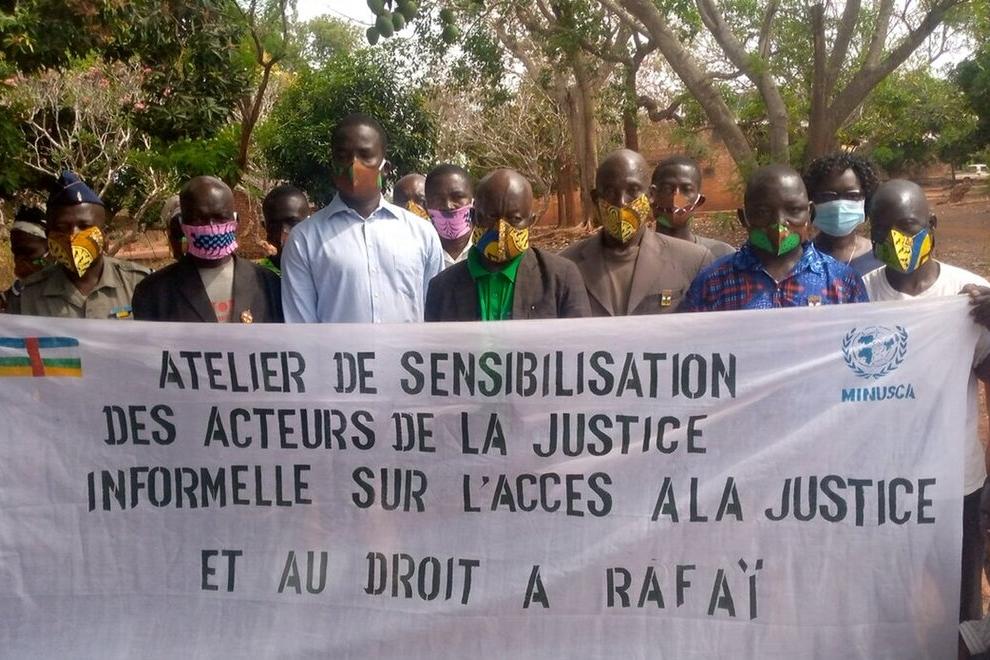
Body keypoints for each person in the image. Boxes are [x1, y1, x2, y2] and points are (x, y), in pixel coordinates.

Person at [861, 179, 988, 622]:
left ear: (932, 224)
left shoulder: (970, 295)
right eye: (883, 231)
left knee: (962, 602)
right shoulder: (857, 295)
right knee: (886, 599)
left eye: (909, 227)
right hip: (880, 484)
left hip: (956, 481)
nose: (898, 240)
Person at [281, 113, 443, 323]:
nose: (354, 165)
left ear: (385, 169)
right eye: (343, 156)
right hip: (332, 348)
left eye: (365, 155)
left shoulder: (422, 233)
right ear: (332, 167)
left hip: (408, 347)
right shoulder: (304, 239)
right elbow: (300, 327)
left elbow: (436, 316)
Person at [680, 164, 868, 311]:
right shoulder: (712, 283)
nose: (779, 223)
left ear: (810, 214)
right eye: (763, 212)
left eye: (794, 210)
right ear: (744, 218)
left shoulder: (843, 281)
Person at [561, 149, 714, 316]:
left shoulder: (693, 261)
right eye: (611, 191)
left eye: (633, 190)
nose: (621, 202)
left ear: (651, 195)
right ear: (596, 198)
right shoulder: (566, 265)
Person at [425, 168, 590, 321]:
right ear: (474, 217)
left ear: (530, 221)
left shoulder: (561, 278)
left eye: (514, 219)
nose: (501, 229)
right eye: (492, 216)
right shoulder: (441, 288)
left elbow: (579, 340)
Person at [132, 176, 282, 323]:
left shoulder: (269, 284)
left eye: (220, 217)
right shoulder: (153, 292)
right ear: (182, 224)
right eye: (199, 218)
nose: (211, 226)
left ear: (236, 221)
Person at [10, 171, 148, 319]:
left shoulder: (142, 285)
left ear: (103, 233)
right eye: (62, 228)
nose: (72, 236)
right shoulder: (25, 297)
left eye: (84, 226)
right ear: (49, 236)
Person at [803, 152, 883, 275]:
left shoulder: (880, 258)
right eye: (828, 196)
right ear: (812, 200)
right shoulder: (800, 258)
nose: (839, 205)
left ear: (866, 199)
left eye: (852, 196)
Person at [650, 155, 735, 257]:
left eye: (686, 190)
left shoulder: (722, 255)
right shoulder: (636, 255)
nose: (676, 198)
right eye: (667, 189)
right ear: (652, 196)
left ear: (699, 201)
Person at [3, 206, 51, 311]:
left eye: (28, 252)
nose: (20, 260)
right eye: (16, 252)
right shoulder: (5, 303)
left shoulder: (68, 297)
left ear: (49, 250)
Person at [425, 164, 474, 268]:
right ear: (427, 205)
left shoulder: (487, 245)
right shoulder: (421, 247)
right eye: (438, 199)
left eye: (457, 197)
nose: (448, 206)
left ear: (472, 200)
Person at [258, 184, 310, 277]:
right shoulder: (259, 278)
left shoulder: (325, 267)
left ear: (309, 223)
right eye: (274, 227)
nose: (283, 235)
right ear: (265, 227)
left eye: (292, 223)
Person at [162, 195, 184, 261]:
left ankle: (178, 255)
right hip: (186, 217)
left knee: (175, 238)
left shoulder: (170, 200)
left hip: (176, 219)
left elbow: (163, 215)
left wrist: (166, 225)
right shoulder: (186, 198)